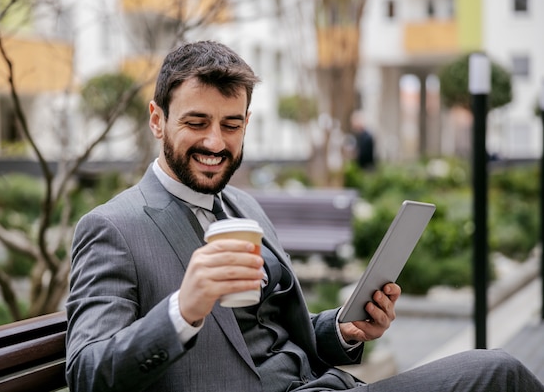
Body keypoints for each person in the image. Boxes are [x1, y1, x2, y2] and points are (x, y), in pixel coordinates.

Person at [65, 40, 543, 392]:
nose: (215, 142)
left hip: (327, 387)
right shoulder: (113, 228)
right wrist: (183, 310)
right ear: (156, 119)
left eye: (231, 125)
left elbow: (276, 334)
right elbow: (87, 373)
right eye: (196, 123)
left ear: (246, 124)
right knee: (496, 374)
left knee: (496, 373)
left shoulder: (245, 207)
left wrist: (342, 329)